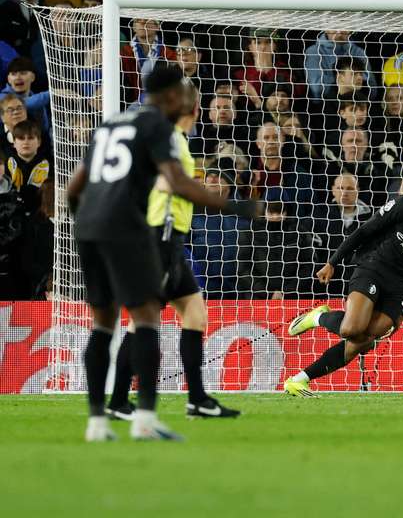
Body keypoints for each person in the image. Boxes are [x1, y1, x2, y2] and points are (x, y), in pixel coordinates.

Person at [65, 65, 259, 442]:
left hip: (89, 227)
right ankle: (144, 419)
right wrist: (235, 207)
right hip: (139, 230)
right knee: (145, 319)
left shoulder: (111, 123)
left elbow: (74, 188)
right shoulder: (157, 126)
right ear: (172, 95)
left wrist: (88, 222)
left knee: (104, 324)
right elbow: (177, 183)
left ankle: (98, 424)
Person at [105, 81, 240, 422]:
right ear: (193, 109)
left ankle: (198, 400)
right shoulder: (171, 140)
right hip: (160, 239)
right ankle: (119, 400)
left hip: (168, 240)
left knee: (194, 314)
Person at [282, 167, 403, 396]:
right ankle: (318, 317)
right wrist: (333, 262)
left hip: (401, 285)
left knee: (364, 341)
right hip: (374, 268)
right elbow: (365, 231)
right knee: (351, 329)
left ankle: (298, 380)